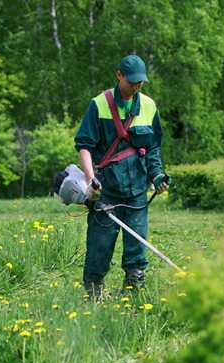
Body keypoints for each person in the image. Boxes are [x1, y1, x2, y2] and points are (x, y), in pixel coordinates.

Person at [74, 54, 170, 301]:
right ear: (119, 75)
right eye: (132, 82)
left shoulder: (148, 106)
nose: (136, 86)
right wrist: (90, 178)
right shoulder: (99, 104)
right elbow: (84, 145)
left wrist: (157, 174)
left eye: (140, 82)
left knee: (137, 246)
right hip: (106, 190)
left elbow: (152, 148)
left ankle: (133, 292)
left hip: (137, 190)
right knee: (100, 245)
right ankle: (94, 292)